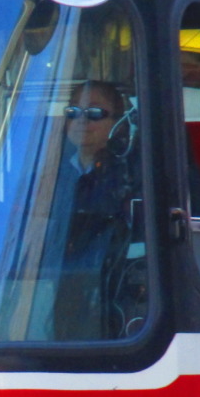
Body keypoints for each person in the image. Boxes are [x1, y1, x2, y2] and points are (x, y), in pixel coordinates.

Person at [50, 80, 139, 339]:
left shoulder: (133, 173)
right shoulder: (49, 173)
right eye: (73, 113)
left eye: (95, 114)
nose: (81, 121)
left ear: (119, 123)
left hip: (110, 289)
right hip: (55, 284)